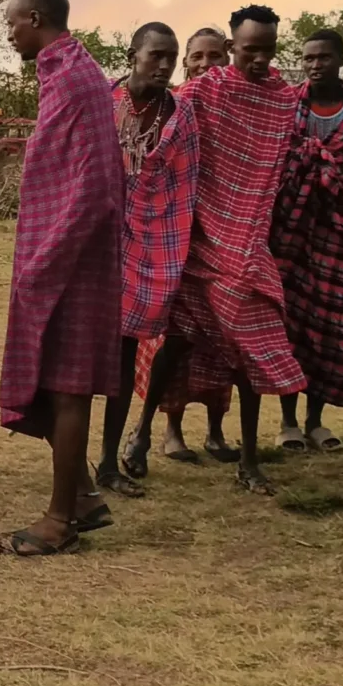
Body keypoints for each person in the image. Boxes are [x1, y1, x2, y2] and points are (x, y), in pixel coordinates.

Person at [0, 0, 127, 555]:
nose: (9, 33)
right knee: (51, 381)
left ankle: (58, 521)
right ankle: (86, 498)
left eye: (13, 23)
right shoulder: (65, 74)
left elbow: (95, 186)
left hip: (73, 257)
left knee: (68, 388)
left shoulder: (74, 77)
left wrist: (50, 258)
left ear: (36, 18)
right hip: (61, 253)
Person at [156, 4, 306, 495]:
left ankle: (247, 458)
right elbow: (164, 147)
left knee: (248, 347)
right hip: (197, 240)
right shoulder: (203, 92)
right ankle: (143, 437)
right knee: (178, 342)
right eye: (249, 50)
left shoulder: (284, 101)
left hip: (247, 245)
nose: (259, 59)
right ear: (232, 50)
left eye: (268, 50)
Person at [123, 25, 237, 470]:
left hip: (218, 231)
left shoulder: (236, 107)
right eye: (198, 58)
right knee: (172, 342)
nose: (206, 66)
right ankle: (157, 429)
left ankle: (215, 429)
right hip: (170, 235)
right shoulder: (176, 106)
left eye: (215, 58)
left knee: (222, 337)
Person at [101, 23, 200, 497]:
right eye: (156, 55)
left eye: (172, 57)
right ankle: (73, 463)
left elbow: (184, 188)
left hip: (149, 248)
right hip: (95, 245)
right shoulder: (101, 103)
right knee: (81, 359)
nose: (164, 66)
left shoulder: (180, 117)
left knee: (122, 355)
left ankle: (107, 463)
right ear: (132, 54)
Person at [270, 27, 343, 453]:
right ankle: (288, 422)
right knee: (290, 324)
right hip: (289, 231)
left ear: (341, 59)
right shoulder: (287, 105)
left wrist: (315, 163)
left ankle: (317, 421)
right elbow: (278, 158)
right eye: (309, 58)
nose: (315, 66)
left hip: (338, 229)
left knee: (330, 325)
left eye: (324, 58)